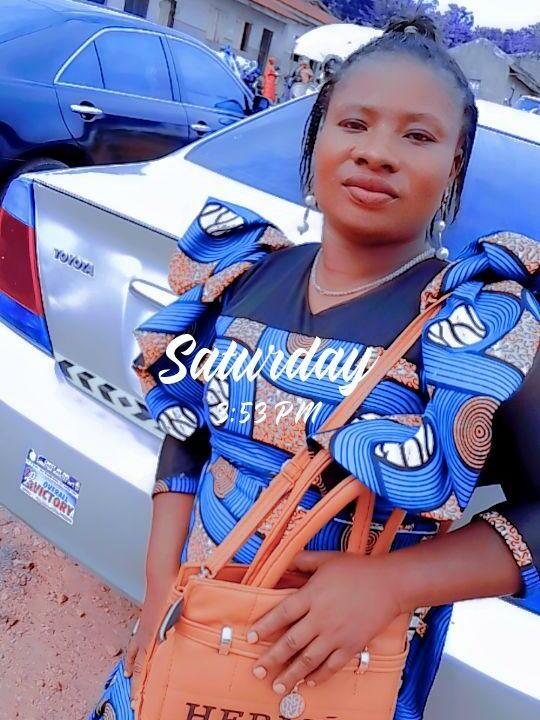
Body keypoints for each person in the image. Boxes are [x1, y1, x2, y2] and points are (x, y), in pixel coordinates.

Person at [88, 14, 539, 720]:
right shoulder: (241, 275)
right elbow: (188, 437)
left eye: (418, 136)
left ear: (454, 164)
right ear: (318, 134)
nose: (377, 153)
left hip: (334, 682)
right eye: (354, 123)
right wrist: (157, 598)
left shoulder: (476, 324)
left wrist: (392, 584)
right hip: (189, 647)